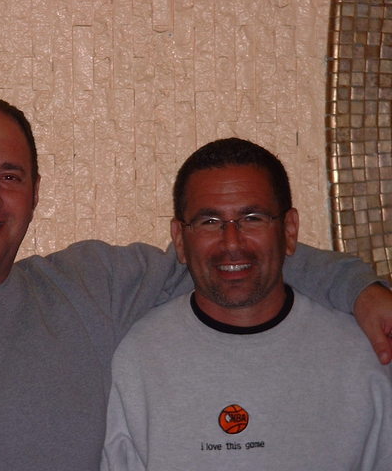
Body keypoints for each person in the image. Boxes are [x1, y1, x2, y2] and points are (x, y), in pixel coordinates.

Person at [0, 99, 390, 471]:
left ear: (34, 194)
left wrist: (358, 289)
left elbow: (230, 254)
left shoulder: (89, 291)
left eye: (11, 177)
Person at [101, 138, 392, 470]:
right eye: (209, 222)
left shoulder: (365, 353)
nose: (232, 243)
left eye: (252, 218)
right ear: (180, 239)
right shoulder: (139, 358)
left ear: (289, 230)